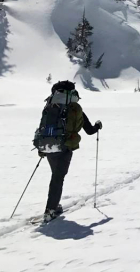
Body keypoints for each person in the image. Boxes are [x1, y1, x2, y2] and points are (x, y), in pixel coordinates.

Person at [37, 81, 102, 222]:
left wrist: (41, 147)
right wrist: (97, 126)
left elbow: (42, 126)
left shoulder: (50, 106)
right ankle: (51, 210)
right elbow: (89, 130)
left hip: (48, 146)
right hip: (64, 147)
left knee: (56, 176)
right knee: (58, 178)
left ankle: (54, 205)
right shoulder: (74, 108)